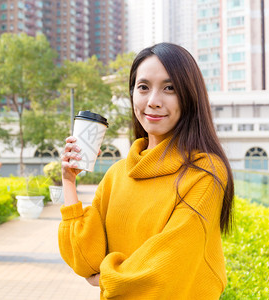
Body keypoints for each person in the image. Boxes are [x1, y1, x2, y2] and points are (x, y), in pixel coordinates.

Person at [58, 42, 234, 300]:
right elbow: (86, 260)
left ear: (189, 95)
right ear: (132, 96)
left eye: (169, 88)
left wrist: (105, 277)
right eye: (143, 87)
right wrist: (69, 181)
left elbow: (165, 265)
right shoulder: (117, 175)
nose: (153, 101)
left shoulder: (204, 173)